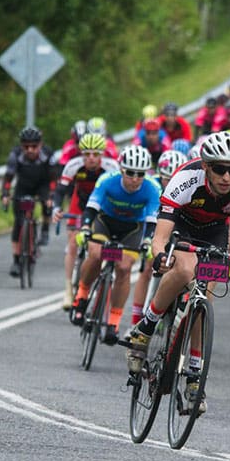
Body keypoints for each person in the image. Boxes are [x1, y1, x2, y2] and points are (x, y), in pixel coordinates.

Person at [126, 132, 230, 414]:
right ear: (205, 166)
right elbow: (160, 237)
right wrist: (162, 257)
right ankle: (147, 325)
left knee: (205, 299)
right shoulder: (185, 179)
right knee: (185, 268)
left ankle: (193, 373)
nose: (227, 177)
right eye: (219, 168)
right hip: (181, 226)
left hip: (215, 232)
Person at [71, 145, 160, 344]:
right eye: (130, 173)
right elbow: (91, 208)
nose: (135, 178)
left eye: (140, 174)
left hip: (132, 228)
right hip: (105, 222)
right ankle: (82, 295)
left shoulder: (153, 188)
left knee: (124, 268)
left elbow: (153, 220)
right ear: (121, 170)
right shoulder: (107, 181)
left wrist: (147, 241)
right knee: (95, 254)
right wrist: (85, 228)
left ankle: (113, 322)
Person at [51, 133, 121, 309]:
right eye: (87, 154)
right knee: (73, 242)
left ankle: (104, 274)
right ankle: (68, 290)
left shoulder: (112, 167)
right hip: (80, 203)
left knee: (106, 243)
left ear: (102, 154)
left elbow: (119, 194)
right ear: (81, 154)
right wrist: (56, 208)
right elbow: (60, 190)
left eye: (96, 154)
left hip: (104, 206)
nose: (91, 158)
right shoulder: (73, 166)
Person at [129, 149, 188, 328]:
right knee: (148, 267)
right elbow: (149, 217)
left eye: (173, 179)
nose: (170, 183)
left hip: (179, 229)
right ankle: (135, 321)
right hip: (155, 227)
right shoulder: (153, 186)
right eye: (166, 179)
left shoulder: (187, 186)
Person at [2, 127, 55, 277]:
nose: (30, 150)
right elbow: (8, 177)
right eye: (26, 146)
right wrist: (5, 194)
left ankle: (44, 229)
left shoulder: (48, 153)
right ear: (21, 145)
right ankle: (17, 261)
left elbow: (54, 178)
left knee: (47, 204)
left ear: (40, 144)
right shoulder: (15, 154)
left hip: (43, 184)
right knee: (18, 223)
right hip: (23, 186)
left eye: (34, 146)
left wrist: (51, 196)